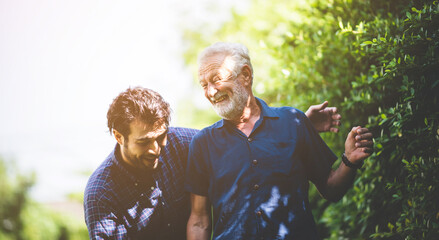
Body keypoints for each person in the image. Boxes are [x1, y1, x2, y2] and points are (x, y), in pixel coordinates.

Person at [84, 86, 341, 239]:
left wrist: (297, 129)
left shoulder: (187, 143)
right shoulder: (101, 193)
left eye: (161, 136)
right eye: (144, 142)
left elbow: (242, 152)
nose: (156, 149)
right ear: (119, 136)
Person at [185, 42, 373, 240]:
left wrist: (350, 160)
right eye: (204, 85)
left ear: (246, 75)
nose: (211, 92)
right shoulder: (202, 144)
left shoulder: (294, 122)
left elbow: (331, 188)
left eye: (217, 80)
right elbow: (199, 221)